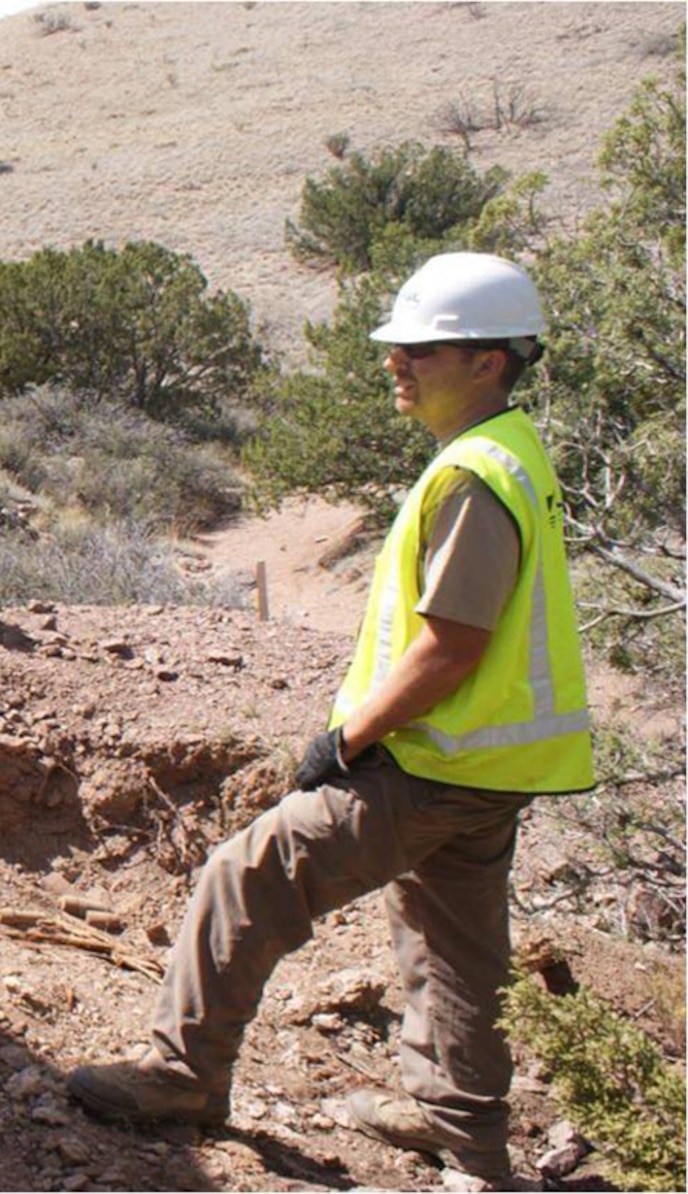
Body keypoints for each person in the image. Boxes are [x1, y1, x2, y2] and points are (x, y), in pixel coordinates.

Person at [68, 253, 595, 1184]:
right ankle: (464, 1132)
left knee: (246, 877)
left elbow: (451, 647)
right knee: (456, 943)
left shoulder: (474, 473)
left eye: (423, 348)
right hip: (490, 769)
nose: (398, 361)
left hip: (432, 763)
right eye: (398, 345)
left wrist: (346, 741)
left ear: (490, 361)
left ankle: (183, 1076)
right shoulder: (512, 454)